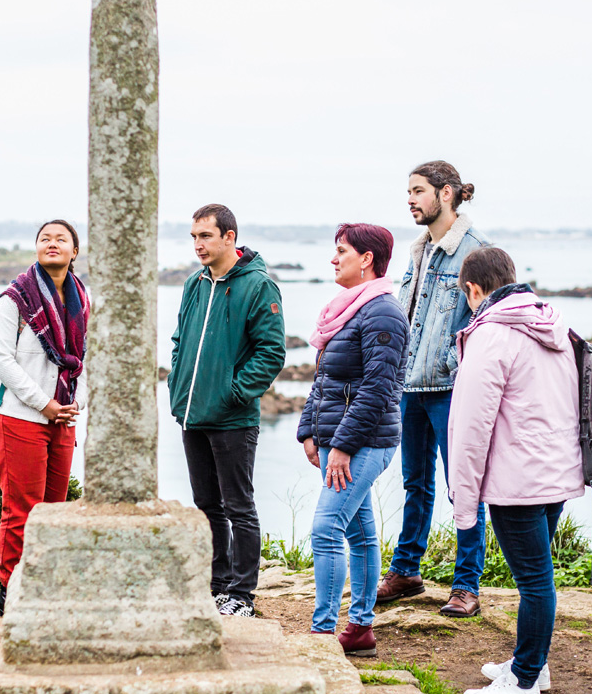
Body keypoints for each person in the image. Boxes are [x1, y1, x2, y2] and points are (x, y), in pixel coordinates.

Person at [449, 247, 584, 694]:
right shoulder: (553, 326)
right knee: (538, 572)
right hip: (556, 471)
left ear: (474, 289)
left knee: (533, 579)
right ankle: (534, 662)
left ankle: (524, 682)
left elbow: (469, 428)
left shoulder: (492, 336)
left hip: (518, 479)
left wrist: (463, 504)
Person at [377, 160, 492, 618]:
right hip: (409, 386)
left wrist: (448, 364)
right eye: (408, 191)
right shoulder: (418, 251)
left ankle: (466, 586)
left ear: (446, 194)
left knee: (463, 488)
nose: (410, 199)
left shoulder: (476, 252)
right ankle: (406, 572)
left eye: (418, 190)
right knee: (415, 483)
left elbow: (484, 322)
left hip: (449, 389)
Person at [168, 204, 286, 618]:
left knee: (238, 506)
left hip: (233, 418)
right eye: (194, 237)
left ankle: (242, 595)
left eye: (206, 236)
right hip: (192, 414)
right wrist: (178, 386)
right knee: (206, 505)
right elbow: (181, 340)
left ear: (229, 237)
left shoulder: (258, 286)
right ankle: (217, 585)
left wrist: (232, 393)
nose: (199, 244)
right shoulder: (194, 285)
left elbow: (272, 353)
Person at [297, 224, 408, 657]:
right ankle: (360, 630)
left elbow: (380, 390)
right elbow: (325, 379)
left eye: (341, 250)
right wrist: (309, 429)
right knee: (359, 534)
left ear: (366, 259)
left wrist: (341, 447)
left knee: (326, 529)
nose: (333, 258)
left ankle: (323, 634)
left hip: (365, 443)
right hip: (337, 439)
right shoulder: (345, 310)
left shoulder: (382, 313)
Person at [0, 219, 89, 616]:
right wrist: (43, 402)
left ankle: (44, 586)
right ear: (36, 249)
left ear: (74, 252)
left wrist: (74, 404)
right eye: (45, 238)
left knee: (54, 507)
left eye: (61, 239)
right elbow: (1, 360)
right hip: (20, 415)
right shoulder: (14, 298)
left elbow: (87, 357)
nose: (52, 243)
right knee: (21, 508)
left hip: (62, 417)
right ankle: (10, 590)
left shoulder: (84, 298)